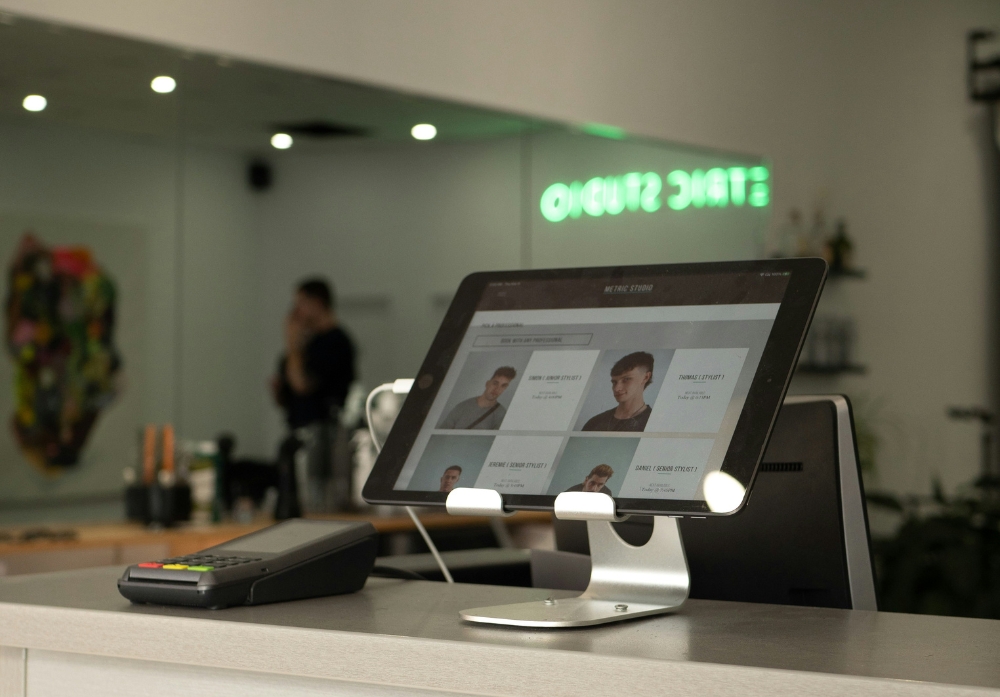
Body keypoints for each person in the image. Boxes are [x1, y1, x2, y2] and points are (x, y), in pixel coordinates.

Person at [271, 278, 356, 515]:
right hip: (297, 431)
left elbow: (302, 385)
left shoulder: (335, 343)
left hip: (322, 440)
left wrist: (291, 345)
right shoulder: (307, 346)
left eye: (301, 303)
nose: (296, 311)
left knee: (316, 502)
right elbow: (287, 396)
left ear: (317, 303)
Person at [582, 352, 654, 432]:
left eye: (626, 379)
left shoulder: (653, 424)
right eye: (614, 382)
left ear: (645, 377)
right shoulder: (594, 422)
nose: (616, 388)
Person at [438, 366, 516, 429]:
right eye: (495, 383)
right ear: (487, 383)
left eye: (503, 386)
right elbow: (441, 434)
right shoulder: (463, 406)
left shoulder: (501, 414)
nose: (497, 389)